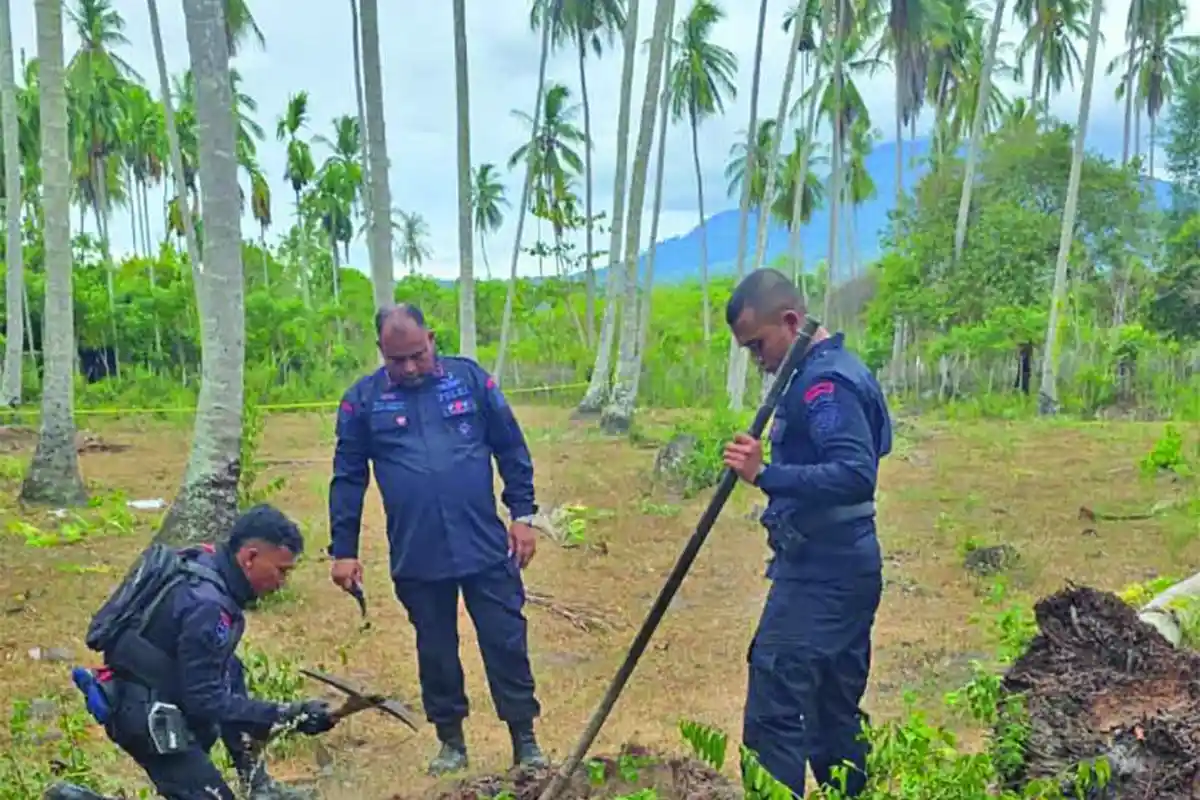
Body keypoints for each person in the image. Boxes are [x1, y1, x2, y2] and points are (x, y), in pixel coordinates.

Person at [328, 303, 546, 776]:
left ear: (431, 338)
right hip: (417, 550)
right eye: (396, 360)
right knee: (436, 649)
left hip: (484, 544)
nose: (408, 368)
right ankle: (452, 742)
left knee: (505, 641)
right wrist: (343, 550)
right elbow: (347, 478)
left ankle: (525, 740)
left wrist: (523, 514)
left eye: (417, 355)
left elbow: (510, 446)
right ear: (380, 352)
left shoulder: (470, 381)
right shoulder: (361, 401)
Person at [720, 268, 891, 798]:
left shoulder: (823, 383)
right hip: (842, 565)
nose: (757, 360)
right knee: (830, 714)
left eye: (758, 345)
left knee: (776, 703)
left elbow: (856, 471)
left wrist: (765, 474)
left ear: (791, 322)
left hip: (824, 574)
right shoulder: (835, 370)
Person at [46, 505, 338, 800]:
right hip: (148, 715)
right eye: (281, 571)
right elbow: (206, 700)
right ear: (250, 557)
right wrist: (288, 715)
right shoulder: (208, 606)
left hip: (154, 696)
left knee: (231, 668)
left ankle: (258, 786)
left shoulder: (207, 564)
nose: (282, 583)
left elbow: (219, 677)